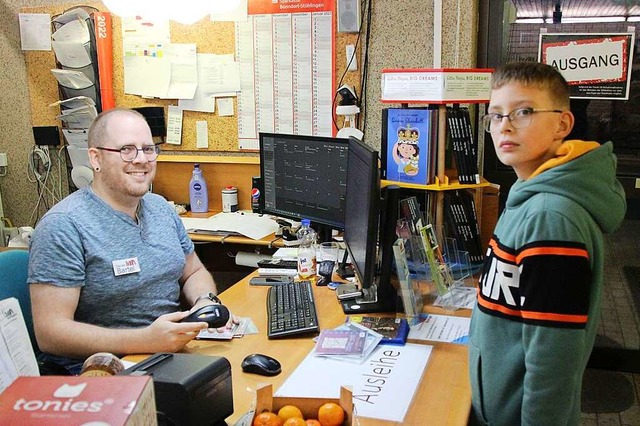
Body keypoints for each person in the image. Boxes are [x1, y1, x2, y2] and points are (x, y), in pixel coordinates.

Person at [469, 62, 626, 425]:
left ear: (562, 124)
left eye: (523, 112)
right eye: (495, 115)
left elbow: (553, 362)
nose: (504, 126)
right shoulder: (528, 193)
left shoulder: (551, 217)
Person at [28, 108, 236, 375]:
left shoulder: (160, 208)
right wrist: (146, 340)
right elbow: (51, 333)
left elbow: (193, 270)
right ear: (96, 158)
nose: (141, 160)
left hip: (170, 353)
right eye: (126, 149)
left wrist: (205, 301)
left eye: (148, 149)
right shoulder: (63, 226)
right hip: (104, 371)